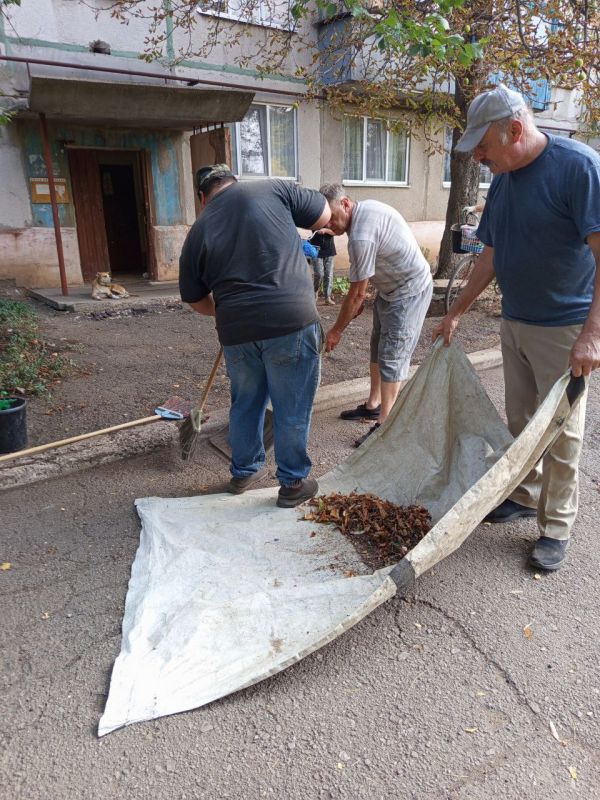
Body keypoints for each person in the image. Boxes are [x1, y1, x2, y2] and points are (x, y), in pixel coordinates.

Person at [433, 84, 600, 571]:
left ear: (515, 129)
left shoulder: (579, 169)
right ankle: (525, 496)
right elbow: (491, 255)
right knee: (521, 422)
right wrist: (459, 308)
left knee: (562, 433)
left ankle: (556, 526)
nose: (478, 156)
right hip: (517, 321)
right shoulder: (504, 179)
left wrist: (593, 334)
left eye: (482, 146)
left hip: (564, 329)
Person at [179, 165, 331, 508]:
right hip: (290, 320)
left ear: (203, 198)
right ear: (233, 182)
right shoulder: (273, 189)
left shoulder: (198, 229)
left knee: (246, 402)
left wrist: (228, 310)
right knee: (292, 405)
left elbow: (194, 299)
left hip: (237, 331)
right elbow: (324, 214)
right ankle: (292, 484)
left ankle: (244, 471)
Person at [319, 184, 433, 446]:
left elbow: (357, 294)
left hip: (410, 290)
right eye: (326, 221)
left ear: (345, 204)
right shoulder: (363, 213)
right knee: (376, 347)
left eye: (333, 218)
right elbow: (361, 289)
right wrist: (356, 304)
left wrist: (336, 330)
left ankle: (385, 426)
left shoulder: (361, 235)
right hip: (389, 287)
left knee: (392, 354)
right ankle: (374, 404)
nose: (331, 226)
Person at [309, 227, 337, 304]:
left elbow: (336, 232)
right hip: (315, 249)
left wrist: (325, 230)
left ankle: (327, 297)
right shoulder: (315, 218)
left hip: (330, 249)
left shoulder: (332, 220)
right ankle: (314, 292)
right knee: (319, 274)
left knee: (328, 275)